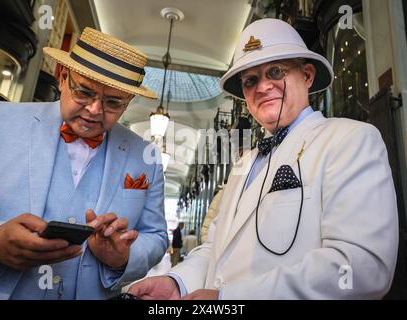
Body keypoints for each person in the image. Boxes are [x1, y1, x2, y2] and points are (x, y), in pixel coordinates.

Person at [128, 18, 398, 300]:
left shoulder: (350, 139)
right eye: (251, 81)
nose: (263, 87)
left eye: (276, 71)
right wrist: (177, 282)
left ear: (307, 76)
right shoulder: (244, 163)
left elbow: (361, 268)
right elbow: (216, 249)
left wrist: (229, 298)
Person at [0, 27, 168, 299]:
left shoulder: (146, 157)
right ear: (62, 78)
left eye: (113, 102)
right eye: (83, 92)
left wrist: (123, 255)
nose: (95, 110)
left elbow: (156, 236)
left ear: (128, 103)